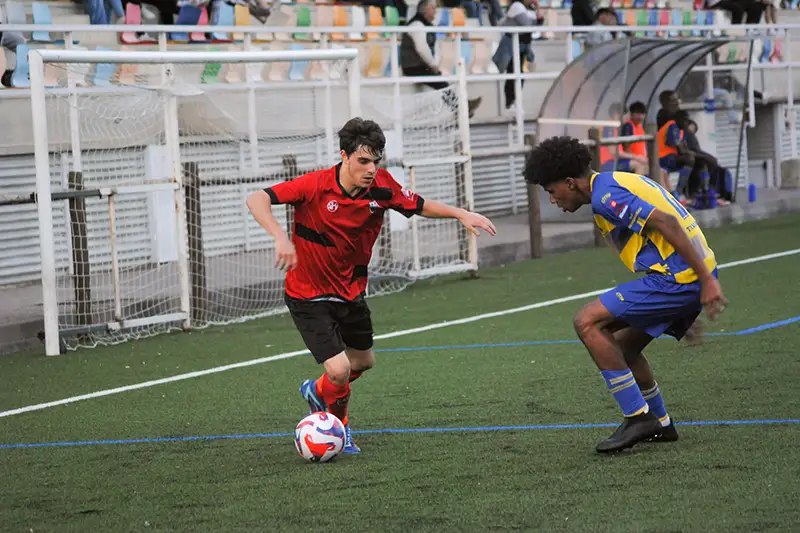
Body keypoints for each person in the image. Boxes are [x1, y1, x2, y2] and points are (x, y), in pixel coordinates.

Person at [246, 118, 496, 454]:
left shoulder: (382, 186)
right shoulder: (316, 185)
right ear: (344, 156)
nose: (370, 169)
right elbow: (257, 198)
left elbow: (419, 205)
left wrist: (460, 213)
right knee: (339, 368)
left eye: (376, 161)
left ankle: (317, 392)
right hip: (308, 294)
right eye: (363, 161)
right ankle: (341, 428)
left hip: (351, 291)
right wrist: (279, 237)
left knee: (363, 363)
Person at [523, 136, 727, 454]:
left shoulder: (606, 196)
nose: (552, 200)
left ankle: (637, 417)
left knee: (587, 322)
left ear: (569, 183)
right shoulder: (612, 182)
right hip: (684, 279)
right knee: (623, 347)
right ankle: (660, 422)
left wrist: (703, 285)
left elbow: (667, 222)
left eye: (551, 192)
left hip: (680, 279)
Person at [400, 0, 482, 118]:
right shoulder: (417, 25)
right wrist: (433, 66)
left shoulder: (423, 24)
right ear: (425, 10)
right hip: (413, 67)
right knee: (441, 82)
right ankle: (462, 108)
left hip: (419, 65)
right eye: (433, 8)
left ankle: (462, 106)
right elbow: (422, 48)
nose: (435, 11)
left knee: (442, 81)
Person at [599, 103, 648, 175]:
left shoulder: (616, 128)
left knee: (645, 166)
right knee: (638, 165)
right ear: (617, 115)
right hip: (608, 163)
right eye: (626, 115)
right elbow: (614, 152)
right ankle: (634, 186)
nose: (627, 118)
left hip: (616, 161)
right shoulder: (609, 127)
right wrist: (637, 157)